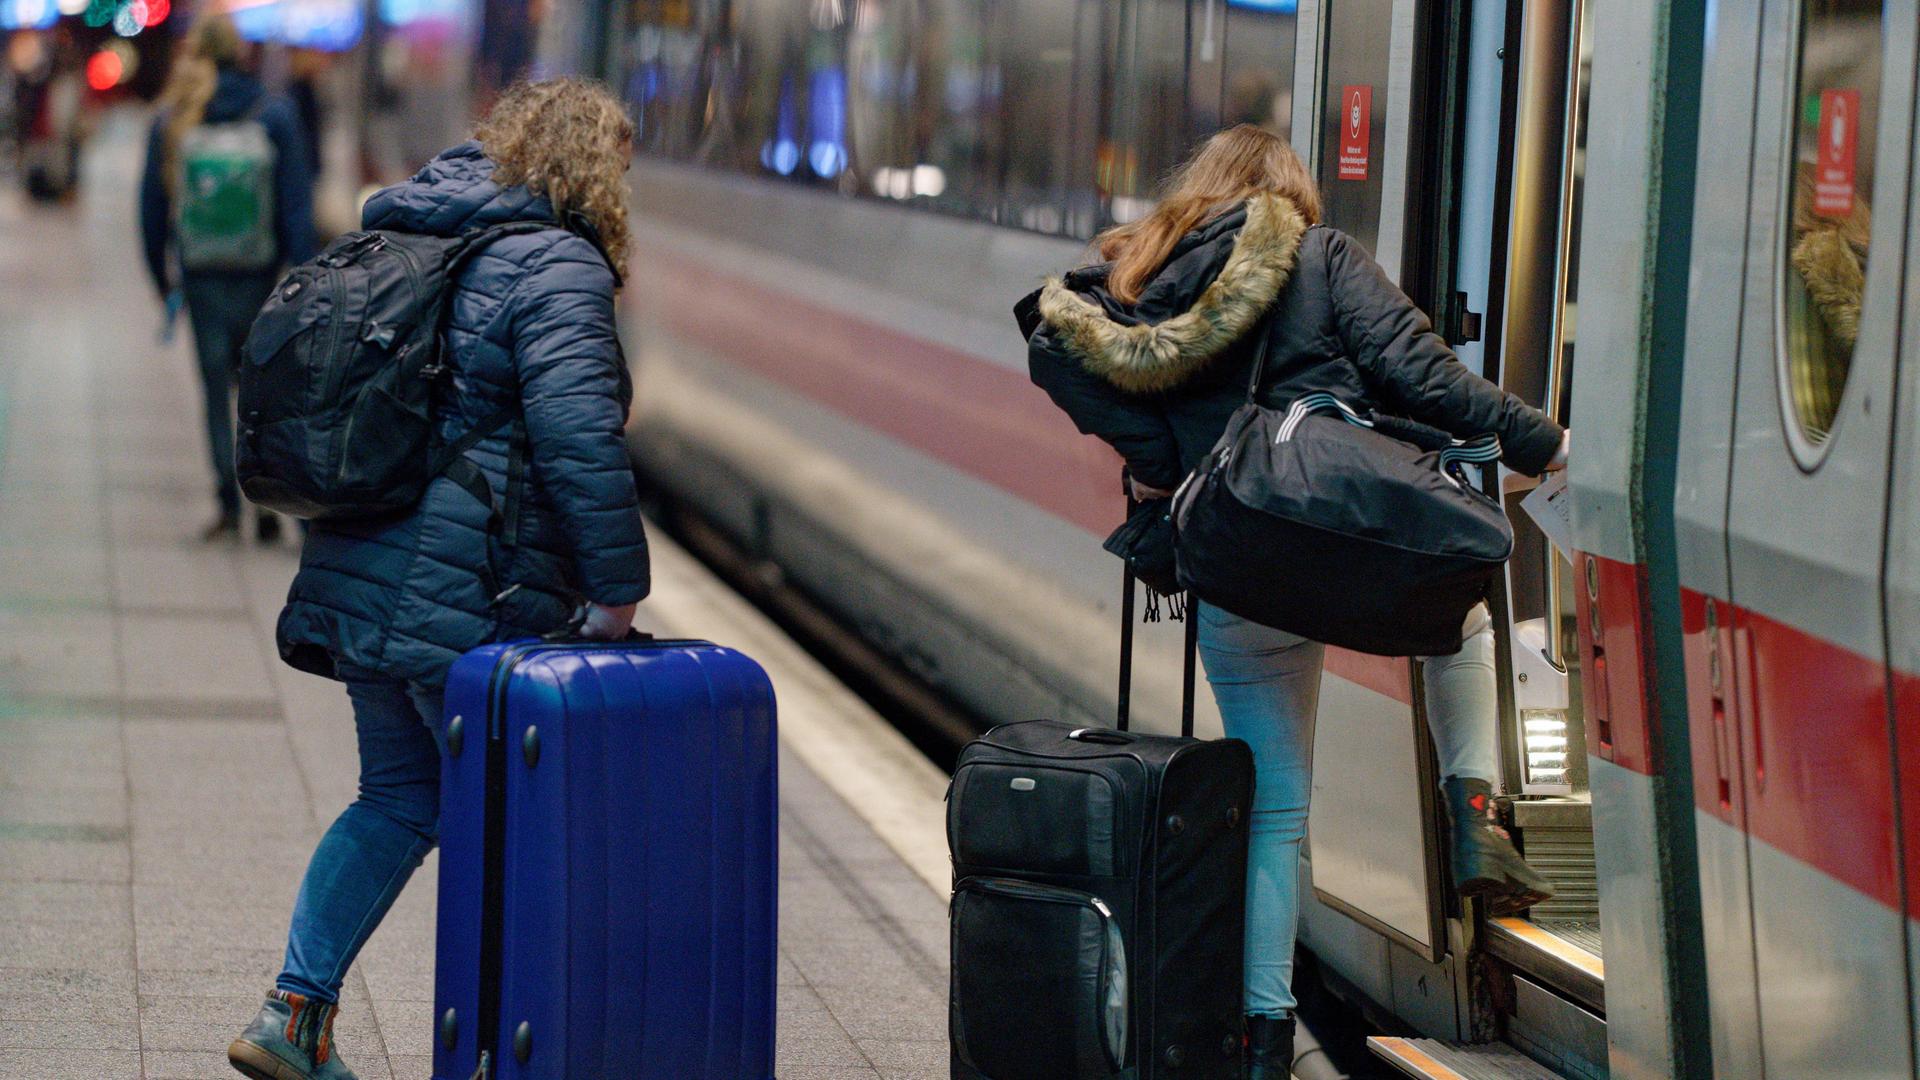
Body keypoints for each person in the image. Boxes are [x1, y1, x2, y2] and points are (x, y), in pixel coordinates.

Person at [1024, 124, 1569, 1079]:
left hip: (1235, 560)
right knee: (1461, 617)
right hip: (1334, 532)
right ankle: (1476, 809)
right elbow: (1425, 379)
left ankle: (1262, 1041)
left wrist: (1166, 472)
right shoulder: (1318, 256)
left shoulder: (1140, 281)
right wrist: (1547, 446)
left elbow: (1057, 351)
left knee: (1274, 810)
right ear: (1289, 196)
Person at [226, 79, 649, 1080]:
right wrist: (617, 588)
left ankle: (296, 1012)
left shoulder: (416, 230)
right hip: (473, 591)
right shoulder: (557, 264)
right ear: (595, 168)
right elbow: (578, 438)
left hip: (365, 558)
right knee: (507, 827)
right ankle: (509, 1054)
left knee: (398, 800)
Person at [140, 12, 316, 543]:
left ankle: (228, 502)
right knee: (262, 395)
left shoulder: (175, 118)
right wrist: (301, 276)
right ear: (242, 54)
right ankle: (268, 502)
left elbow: (152, 210)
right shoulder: (276, 115)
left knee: (215, 391)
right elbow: (296, 207)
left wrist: (163, 282)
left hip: (202, 275)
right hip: (260, 274)